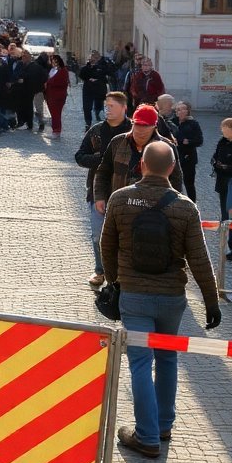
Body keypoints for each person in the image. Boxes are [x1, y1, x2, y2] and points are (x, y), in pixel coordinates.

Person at [100, 141, 221, 457]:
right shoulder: (185, 207)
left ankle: (146, 435)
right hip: (171, 299)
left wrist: (114, 282)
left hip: (134, 296)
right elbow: (199, 259)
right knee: (167, 358)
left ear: (141, 165)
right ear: (172, 168)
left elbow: (106, 246)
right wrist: (211, 301)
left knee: (140, 363)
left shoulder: (120, 199)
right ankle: (163, 425)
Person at [76, 92, 133, 287]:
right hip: (98, 191)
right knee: (97, 235)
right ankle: (100, 270)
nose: (107, 109)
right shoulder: (97, 131)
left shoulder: (133, 130)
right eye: (106, 105)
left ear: (124, 108)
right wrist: (101, 159)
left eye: (112, 106)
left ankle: (122, 274)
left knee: (125, 236)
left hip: (126, 192)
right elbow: (80, 156)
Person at [94, 105, 185, 213]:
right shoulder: (117, 142)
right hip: (120, 208)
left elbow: (176, 180)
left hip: (153, 211)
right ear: (132, 123)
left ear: (154, 126)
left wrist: (173, 207)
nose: (140, 130)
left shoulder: (166, 148)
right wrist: (99, 197)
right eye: (137, 125)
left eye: (145, 126)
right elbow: (103, 172)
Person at [210, 118, 232, 260]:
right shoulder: (222, 141)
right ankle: (227, 239)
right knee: (225, 213)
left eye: (224, 127)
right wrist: (216, 163)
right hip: (223, 181)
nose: (222, 130)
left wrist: (228, 167)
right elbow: (215, 157)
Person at [171, 101, 203, 201]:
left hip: (189, 158)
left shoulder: (193, 124)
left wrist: (188, 141)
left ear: (188, 111)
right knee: (173, 183)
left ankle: (192, 204)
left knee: (189, 184)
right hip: (174, 157)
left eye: (183, 109)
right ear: (176, 112)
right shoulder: (172, 122)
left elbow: (199, 141)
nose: (181, 111)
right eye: (178, 109)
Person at [79, 50, 111, 127]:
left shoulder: (102, 66)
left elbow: (107, 74)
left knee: (99, 105)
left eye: (95, 57)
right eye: (92, 57)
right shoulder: (86, 67)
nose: (93, 59)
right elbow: (81, 75)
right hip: (88, 89)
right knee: (87, 107)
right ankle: (88, 122)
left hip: (99, 89)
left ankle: (99, 115)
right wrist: (88, 79)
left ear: (98, 58)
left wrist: (98, 79)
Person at [43, 54, 70, 139]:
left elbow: (61, 82)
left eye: (55, 61)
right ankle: (55, 130)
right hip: (51, 95)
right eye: (52, 61)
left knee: (56, 114)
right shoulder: (53, 70)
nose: (53, 62)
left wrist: (48, 82)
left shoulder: (63, 71)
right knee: (54, 114)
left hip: (58, 96)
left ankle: (56, 131)